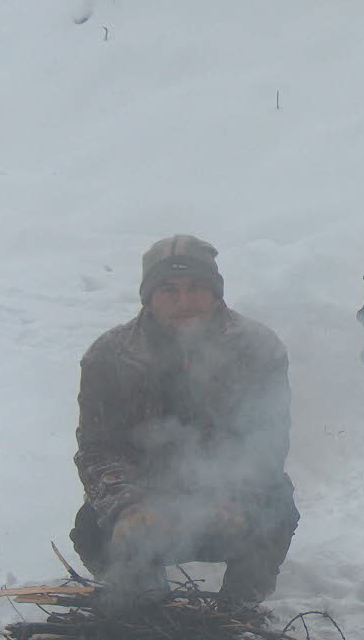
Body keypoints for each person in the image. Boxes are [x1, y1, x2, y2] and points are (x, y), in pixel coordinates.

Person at [69, 234, 298, 603]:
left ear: (216, 292)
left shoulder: (258, 348)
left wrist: (233, 496)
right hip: (147, 498)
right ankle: (144, 602)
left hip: (227, 499)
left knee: (277, 508)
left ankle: (238, 611)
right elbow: (97, 450)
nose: (184, 302)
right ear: (149, 296)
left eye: (196, 288)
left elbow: (268, 442)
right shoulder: (108, 357)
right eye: (169, 290)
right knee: (93, 530)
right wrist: (128, 506)